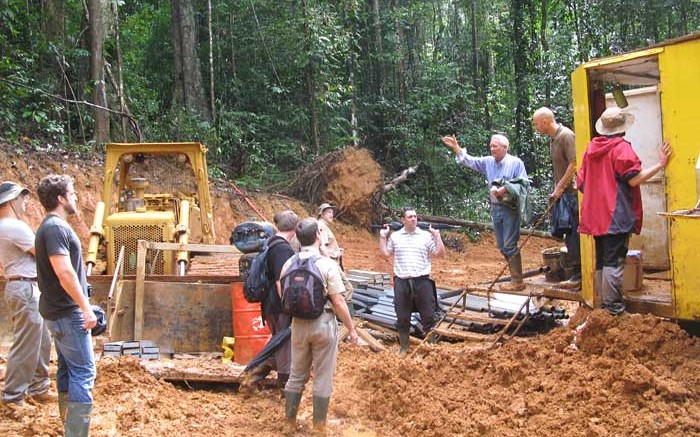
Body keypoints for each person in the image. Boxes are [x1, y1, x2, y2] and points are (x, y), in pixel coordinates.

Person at [578, 106, 671, 315]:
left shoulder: (590, 149)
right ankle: (613, 309)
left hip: (596, 215)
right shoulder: (621, 149)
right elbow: (634, 179)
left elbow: (582, 184)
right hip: (615, 214)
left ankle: (603, 305)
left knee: (602, 259)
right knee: (614, 259)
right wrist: (660, 165)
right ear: (622, 129)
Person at [35, 174, 97, 436]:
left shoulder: (49, 227)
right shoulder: (56, 228)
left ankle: (68, 426)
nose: (76, 198)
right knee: (84, 371)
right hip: (67, 313)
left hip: (57, 311)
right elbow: (65, 273)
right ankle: (76, 433)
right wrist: (85, 306)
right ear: (60, 199)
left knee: (68, 367)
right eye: (72, 194)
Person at [283, 218, 358, 432]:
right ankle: (319, 427)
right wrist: (351, 329)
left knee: (296, 374)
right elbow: (339, 301)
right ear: (318, 236)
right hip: (323, 323)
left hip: (297, 324)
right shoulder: (326, 265)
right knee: (323, 376)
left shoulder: (289, 263)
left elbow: (284, 295)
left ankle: (289, 423)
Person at [442, 133, 529, 291]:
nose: (492, 148)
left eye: (495, 146)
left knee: (509, 245)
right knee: (502, 246)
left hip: (510, 209)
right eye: (490, 146)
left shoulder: (515, 163)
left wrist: (505, 188)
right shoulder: (488, 162)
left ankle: (517, 281)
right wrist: (456, 147)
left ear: (505, 147)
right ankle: (516, 279)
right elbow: (470, 161)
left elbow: (524, 184)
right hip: (495, 208)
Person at [0, 182, 54, 407]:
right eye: (22, 199)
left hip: (23, 287)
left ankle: (39, 387)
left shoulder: (6, 227)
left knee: (42, 341)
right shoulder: (14, 227)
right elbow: (44, 254)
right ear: (11, 200)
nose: (25, 203)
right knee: (26, 344)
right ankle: (13, 396)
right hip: (24, 287)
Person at [241, 210, 298, 390]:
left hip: (269, 303)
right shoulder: (282, 248)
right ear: (295, 228)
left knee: (277, 341)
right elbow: (281, 280)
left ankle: (252, 377)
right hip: (278, 304)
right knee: (284, 346)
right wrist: (288, 306)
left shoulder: (270, 243)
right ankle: (284, 388)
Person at [378, 207, 445, 354]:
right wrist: (383, 237)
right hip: (401, 281)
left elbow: (440, 254)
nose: (414, 219)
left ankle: (431, 347)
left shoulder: (426, 236)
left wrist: (437, 236)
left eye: (415, 216)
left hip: (422, 281)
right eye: (410, 217)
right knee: (402, 317)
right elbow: (385, 254)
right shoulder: (395, 236)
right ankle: (404, 347)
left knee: (428, 316)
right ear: (403, 220)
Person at [533, 107, 582, 289]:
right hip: (563, 194)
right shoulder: (554, 139)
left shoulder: (566, 136)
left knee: (574, 233)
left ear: (545, 121)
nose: (536, 127)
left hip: (572, 195)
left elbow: (574, 164)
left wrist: (560, 187)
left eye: (536, 123)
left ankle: (579, 276)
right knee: (567, 235)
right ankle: (574, 272)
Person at [317, 203, 354, 312]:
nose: (331, 214)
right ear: (321, 214)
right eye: (328, 212)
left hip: (332, 261)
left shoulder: (324, 226)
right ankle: (343, 316)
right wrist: (329, 262)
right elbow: (321, 247)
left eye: (332, 212)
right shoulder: (321, 226)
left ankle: (339, 315)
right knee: (346, 287)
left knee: (339, 289)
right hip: (330, 263)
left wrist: (337, 251)